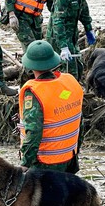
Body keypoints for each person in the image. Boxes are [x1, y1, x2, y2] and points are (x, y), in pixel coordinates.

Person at [18, 40, 84, 173]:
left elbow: (34, 131)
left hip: (45, 164)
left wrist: (25, 163)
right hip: (69, 158)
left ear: (30, 65)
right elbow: (80, 122)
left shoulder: (34, 92)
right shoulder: (70, 82)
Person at [46, 0, 99, 81]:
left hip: (72, 34)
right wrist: (63, 47)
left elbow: (83, 8)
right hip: (60, 36)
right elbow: (57, 21)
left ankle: (74, 91)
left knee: (79, 66)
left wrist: (88, 28)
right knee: (68, 70)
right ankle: (64, 96)